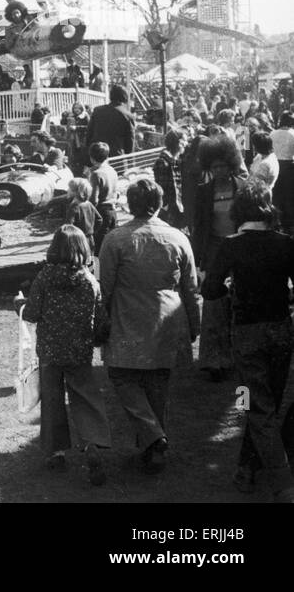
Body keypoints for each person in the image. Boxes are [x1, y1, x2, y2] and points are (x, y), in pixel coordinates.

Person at [200, 182, 294, 501]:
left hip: (246, 333)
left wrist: (230, 289)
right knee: (267, 402)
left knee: (252, 402)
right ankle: (246, 463)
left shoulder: (231, 245)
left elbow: (210, 290)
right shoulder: (286, 243)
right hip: (281, 331)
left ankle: (281, 481)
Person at [99, 180, 199, 474]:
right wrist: (194, 324)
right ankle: (155, 447)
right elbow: (191, 287)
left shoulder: (115, 240)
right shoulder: (178, 237)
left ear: (130, 204)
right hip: (167, 320)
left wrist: (100, 324)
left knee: (121, 375)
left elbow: (104, 288)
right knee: (157, 383)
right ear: (159, 202)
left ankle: (153, 439)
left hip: (128, 321)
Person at [21, 226, 112, 485]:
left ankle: (56, 452)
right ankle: (92, 443)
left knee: (52, 401)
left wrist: (22, 305)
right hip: (79, 352)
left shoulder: (44, 278)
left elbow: (32, 314)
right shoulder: (90, 281)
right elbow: (101, 321)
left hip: (50, 352)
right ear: (83, 249)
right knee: (85, 398)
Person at [191, 135, 247, 380]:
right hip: (214, 251)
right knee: (213, 304)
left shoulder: (243, 187)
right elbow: (199, 226)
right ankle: (215, 361)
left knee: (241, 301)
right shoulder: (204, 191)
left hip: (241, 249)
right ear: (208, 168)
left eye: (223, 166)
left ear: (231, 164)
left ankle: (240, 355)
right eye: (214, 167)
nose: (219, 170)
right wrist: (199, 258)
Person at [86, 142, 118, 255]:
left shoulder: (96, 174)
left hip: (101, 212)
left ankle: (97, 271)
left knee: (98, 247)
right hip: (113, 211)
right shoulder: (112, 171)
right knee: (111, 246)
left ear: (92, 158)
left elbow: (94, 199)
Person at [87, 85, 136, 157]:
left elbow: (89, 133)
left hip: (97, 154)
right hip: (116, 156)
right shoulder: (128, 116)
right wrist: (129, 156)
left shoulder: (97, 110)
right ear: (125, 97)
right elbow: (130, 141)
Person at [153, 130, 185, 228]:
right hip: (169, 209)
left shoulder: (175, 160)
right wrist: (165, 206)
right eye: (185, 141)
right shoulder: (163, 162)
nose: (186, 144)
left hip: (177, 207)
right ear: (178, 143)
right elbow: (162, 187)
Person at [272, 112, 294, 233]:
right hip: (289, 166)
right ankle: (290, 223)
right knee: (289, 195)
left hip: (275, 164)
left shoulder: (272, 133)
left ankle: (277, 221)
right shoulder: (292, 134)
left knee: (276, 193)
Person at [65, 178, 99, 253]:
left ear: (75, 192)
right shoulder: (89, 204)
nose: (67, 190)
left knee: (79, 260)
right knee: (90, 260)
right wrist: (92, 230)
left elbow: (68, 225)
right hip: (90, 238)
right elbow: (99, 219)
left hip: (78, 240)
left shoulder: (74, 206)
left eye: (69, 188)